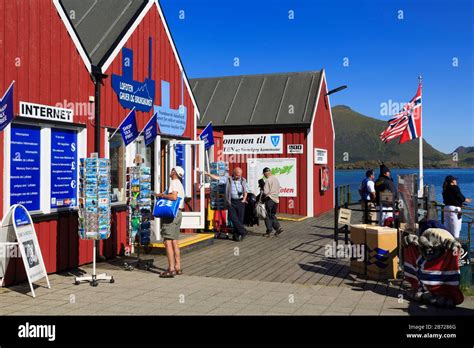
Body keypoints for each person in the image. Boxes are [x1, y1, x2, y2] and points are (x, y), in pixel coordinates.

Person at [154, 167, 185, 278]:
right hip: (178, 213)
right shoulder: (179, 184)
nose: (170, 171)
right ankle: (178, 267)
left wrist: (162, 196)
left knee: (167, 242)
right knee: (174, 241)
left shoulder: (174, 182)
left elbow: (173, 196)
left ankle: (171, 269)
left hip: (171, 215)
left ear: (174, 173)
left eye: (172, 170)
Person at [204, 167, 249, 241]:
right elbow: (217, 178)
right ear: (233, 173)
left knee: (240, 220)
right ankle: (243, 231)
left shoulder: (243, 180)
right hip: (231, 202)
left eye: (240, 175)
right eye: (237, 175)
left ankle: (237, 235)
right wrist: (208, 174)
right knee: (233, 218)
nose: (239, 176)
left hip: (240, 201)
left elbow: (246, 191)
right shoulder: (228, 179)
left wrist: (244, 199)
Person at [262, 167, 284, 237]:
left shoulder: (268, 180)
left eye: (264, 173)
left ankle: (269, 231)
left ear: (265, 173)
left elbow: (265, 192)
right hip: (276, 200)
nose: (264, 175)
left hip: (270, 200)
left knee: (267, 215)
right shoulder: (276, 179)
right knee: (272, 214)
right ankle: (278, 228)